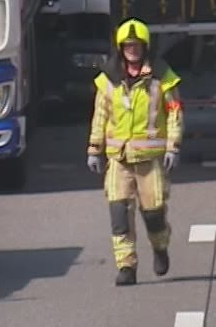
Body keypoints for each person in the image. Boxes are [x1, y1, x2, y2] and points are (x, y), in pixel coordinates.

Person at [87, 19, 183, 287]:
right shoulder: (108, 80)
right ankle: (126, 266)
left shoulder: (161, 76)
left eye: (137, 45)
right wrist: (95, 150)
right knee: (119, 215)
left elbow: (174, 111)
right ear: (120, 48)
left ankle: (160, 248)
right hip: (119, 160)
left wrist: (173, 146)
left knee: (153, 213)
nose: (132, 50)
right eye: (128, 46)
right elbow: (100, 115)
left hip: (150, 160)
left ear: (145, 47)